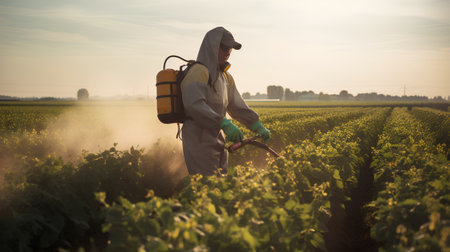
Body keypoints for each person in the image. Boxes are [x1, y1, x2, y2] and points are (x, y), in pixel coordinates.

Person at [180, 26, 271, 176]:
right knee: (207, 185)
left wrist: (257, 125)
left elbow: (237, 105)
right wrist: (223, 123)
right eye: (224, 48)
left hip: (217, 138)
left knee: (221, 181)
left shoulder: (226, 77)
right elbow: (193, 104)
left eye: (230, 49)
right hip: (198, 140)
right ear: (212, 47)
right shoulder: (198, 72)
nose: (228, 52)